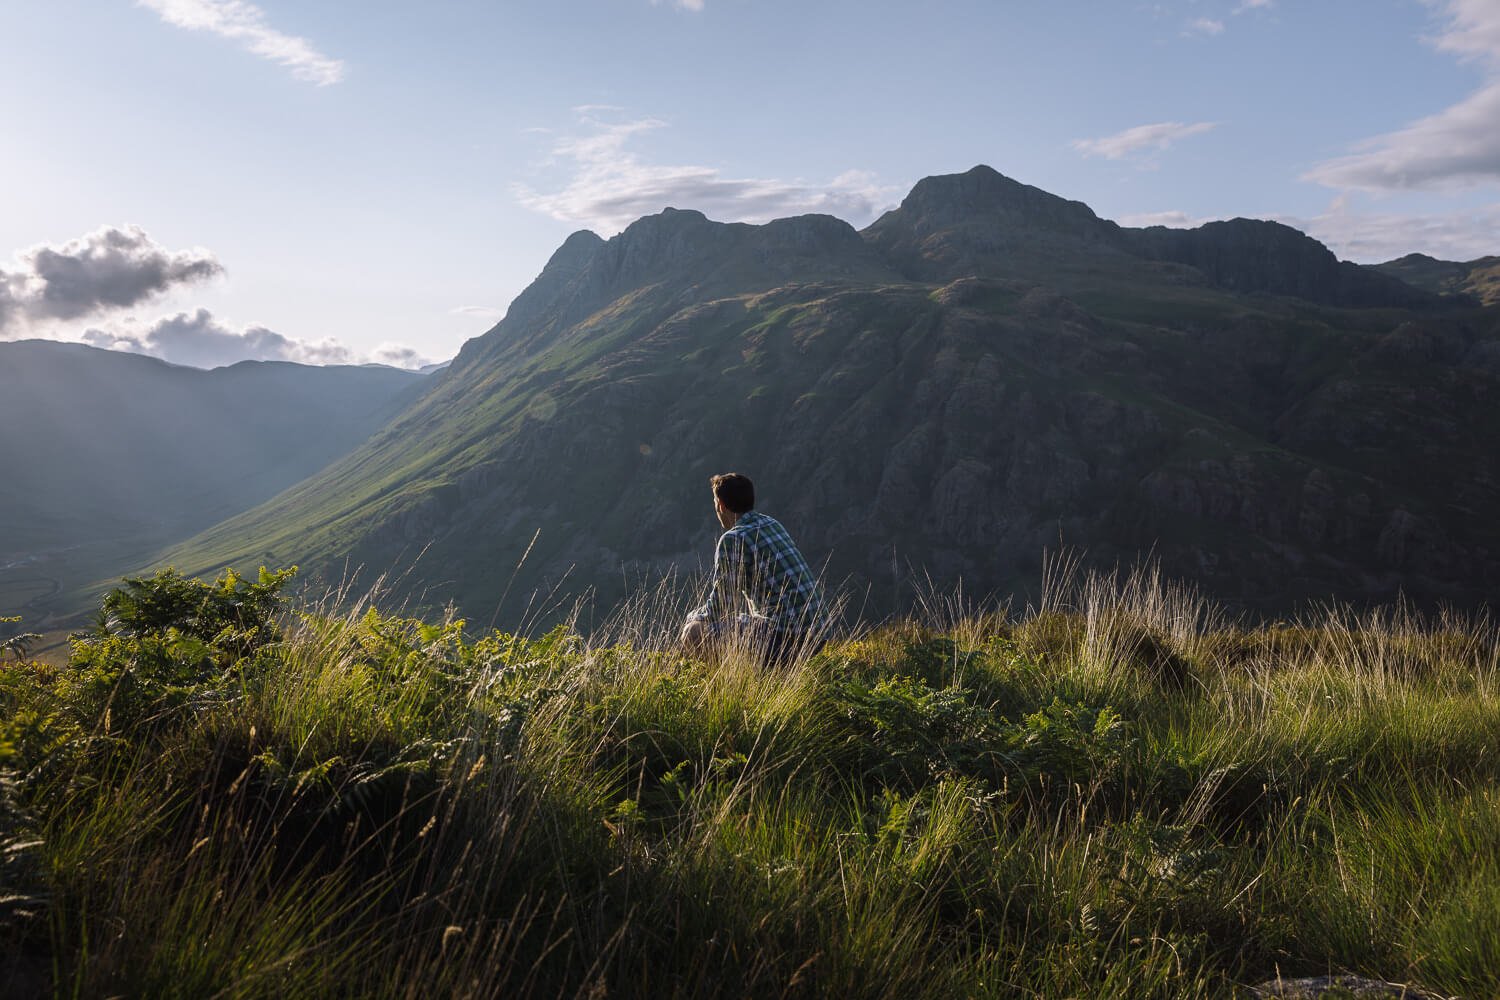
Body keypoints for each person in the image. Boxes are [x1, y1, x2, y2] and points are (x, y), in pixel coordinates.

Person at [681, 472, 828, 667]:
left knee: (693, 632)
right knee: (745, 622)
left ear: (721, 505)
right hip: (818, 636)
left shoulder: (733, 538)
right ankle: (761, 679)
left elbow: (722, 606)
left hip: (786, 640)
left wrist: (692, 616)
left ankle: (732, 690)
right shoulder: (771, 523)